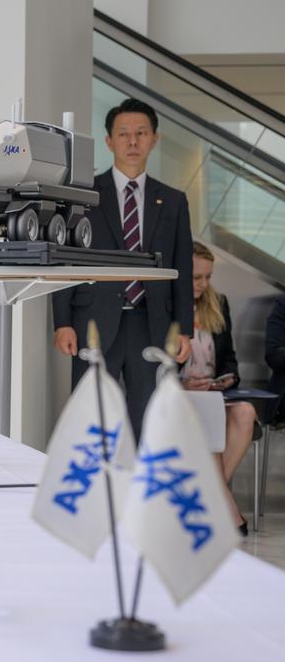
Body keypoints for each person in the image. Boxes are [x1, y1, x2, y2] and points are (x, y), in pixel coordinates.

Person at [52, 97, 194, 439]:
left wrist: (184, 328)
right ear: (109, 141)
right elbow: (64, 257)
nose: (133, 141)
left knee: (148, 418)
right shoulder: (84, 194)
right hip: (94, 322)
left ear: (154, 139)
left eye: (141, 133)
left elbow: (182, 267)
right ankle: (95, 489)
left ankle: (137, 490)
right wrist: (63, 322)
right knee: (92, 416)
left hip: (152, 322)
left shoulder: (172, 200)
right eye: (124, 133)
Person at [179, 243, 252, 536]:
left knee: (245, 413)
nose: (203, 284)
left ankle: (208, 499)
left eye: (208, 277)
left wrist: (228, 377)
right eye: (197, 277)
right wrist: (181, 383)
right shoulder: (167, 307)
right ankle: (225, 509)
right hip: (180, 396)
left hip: (213, 392)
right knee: (209, 416)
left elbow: (229, 358)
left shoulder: (218, 303)